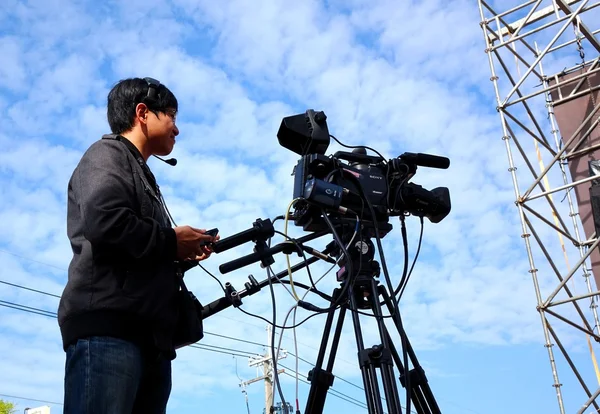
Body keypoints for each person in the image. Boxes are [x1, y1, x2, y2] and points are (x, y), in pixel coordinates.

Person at [57, 77, 216, 413]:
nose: (177, 129)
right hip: (109, 332)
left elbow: (137, 249)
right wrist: (173, 240)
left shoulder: (142, 174)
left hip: (149, 339)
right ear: (143, 112)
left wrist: (183, 251)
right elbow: (106, 222)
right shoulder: (106, 154)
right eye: (171, 116)